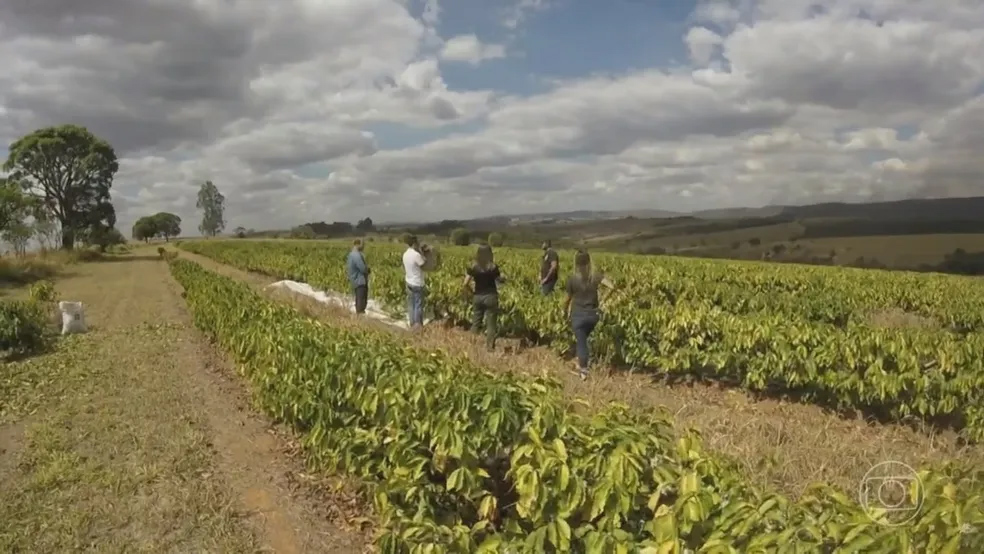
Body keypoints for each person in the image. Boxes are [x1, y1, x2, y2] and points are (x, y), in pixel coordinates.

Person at [563, 249, 614, 380]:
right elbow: (612, 287)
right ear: (589, 261)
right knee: (585, 339)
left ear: (576, 263)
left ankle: (584, 370)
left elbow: (567, 300)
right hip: (593, 315)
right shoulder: (595, 276)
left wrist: (564, 312)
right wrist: (603, 301)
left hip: (578, 315)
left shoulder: (572, 279)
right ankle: (586, 359)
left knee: (581, 342)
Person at [462, 244, 506, 351]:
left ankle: (471, 345)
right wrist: (504, 278)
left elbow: (465, 283)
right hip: (490, 296)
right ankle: (489, 347)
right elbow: (499, 280)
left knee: (476, 322)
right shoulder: (493, 267)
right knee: (491, 323)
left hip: (477, 296)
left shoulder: (473, 266)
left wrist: (471, 292)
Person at [402, 235, 428, 329]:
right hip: (417, 282)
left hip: (408, 281)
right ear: (414, 243)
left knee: (411, 304)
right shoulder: (416, 255)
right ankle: (418, 326)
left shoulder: (405, 254)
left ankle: (412, 323)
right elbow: (424, 264)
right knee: (418, 305)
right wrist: (423, 253)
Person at [346, 239, 370, 314]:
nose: (363, 247)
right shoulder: (357, 255)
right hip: (360, 280)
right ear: (358, 244)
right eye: (363, 245)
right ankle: (360, 316)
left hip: (354, 279)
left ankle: (359, 315)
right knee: (361, 300)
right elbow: (362, 268)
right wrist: (368, 270)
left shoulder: (351, 254)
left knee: (358, 298)